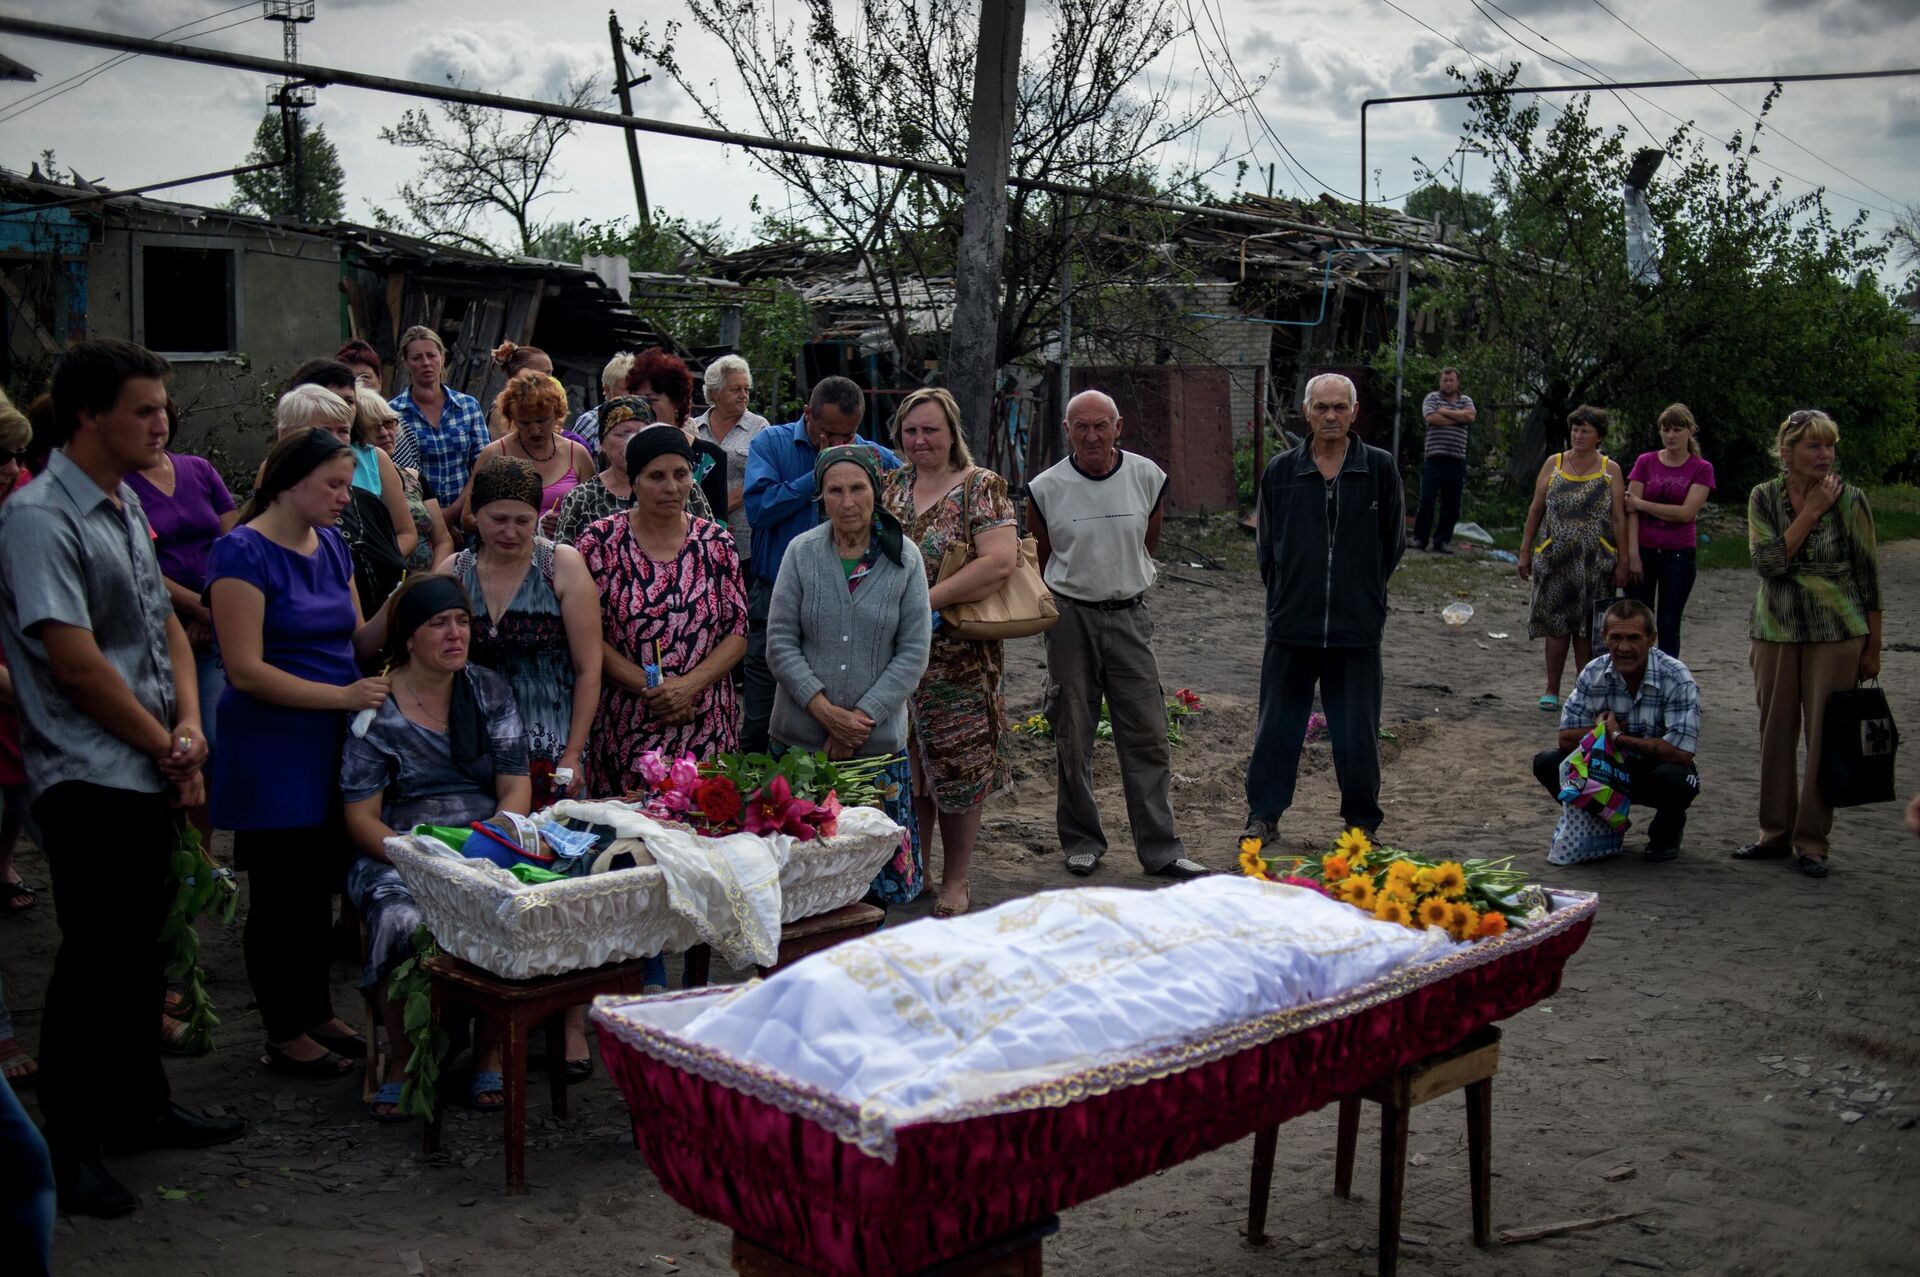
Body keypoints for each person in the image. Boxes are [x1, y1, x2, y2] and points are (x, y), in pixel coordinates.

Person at [0, 339, 245, 1218]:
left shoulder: (120, 505)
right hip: (87, 774)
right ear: (87, 415)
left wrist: (186, 723)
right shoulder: (38, 517)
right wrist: (164, 744)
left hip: (147, 759)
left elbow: (169, 626)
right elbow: (73, 661)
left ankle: (140, 1107)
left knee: (145, 947)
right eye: (143, 409)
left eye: (163, 407)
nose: (161, 422)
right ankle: (69, 1150)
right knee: (93, 962)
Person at [207, 428, 390, 1080]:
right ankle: (281, 1030)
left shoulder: (334, 543)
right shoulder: (241, 551)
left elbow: (357, 640)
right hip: (271, 740)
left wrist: (405, 603)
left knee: (317, 883)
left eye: (349, 483)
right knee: (279, 892)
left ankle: (315, 1009)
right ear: (289, 481)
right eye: (334, 485)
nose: (347, 496)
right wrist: (342, 696)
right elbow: (245, 669)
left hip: (329, 737)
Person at [341, 575, 526, 1118]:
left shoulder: (488, 689)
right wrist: (418, 859)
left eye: (462, 622)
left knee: (511, 908)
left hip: (484, 841)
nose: (454, 634)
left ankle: (488, 1049)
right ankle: (403, 1057)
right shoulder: (376, 709)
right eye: (437, 624)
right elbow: (361, 817)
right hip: (400, 850)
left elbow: (515, 787)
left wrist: (492, 841)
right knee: (400, 919)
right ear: (408, 637)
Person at [1028, 389, 1207, 881]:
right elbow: (1041, 557)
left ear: (1118, 426)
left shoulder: (1147, 477)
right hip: (1070, 621)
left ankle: (1161, 849)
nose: (1091, 435)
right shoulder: (1046, 488)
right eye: (1080, 426)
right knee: (1073, 733)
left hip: (1130, 618)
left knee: (1147, 734)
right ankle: (1083, 842)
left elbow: (1146, 543)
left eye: (1100, 425)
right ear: (1066, 430)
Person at [1243, 372, 1405, 849]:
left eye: (1340, 407)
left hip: (1357, 628)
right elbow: (1266, 547)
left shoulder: (1378, 468)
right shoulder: (1282, 471)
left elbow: (1392, 544)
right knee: (1277, 729)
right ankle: (1263, 816)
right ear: (1307, 413)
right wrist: (1288, 595)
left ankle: (1361, 823)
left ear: (1354, 413)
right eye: (1321, 408)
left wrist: (1364, 594)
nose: (1330, 416)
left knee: (1357, 735)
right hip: (1292, 625)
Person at [767, 444, 929, 905]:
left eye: (857, 488)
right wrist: (825, 713)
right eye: (835, 490)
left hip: (874, 751)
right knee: (802, 881)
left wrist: (858, 720)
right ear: (821, 496)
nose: (847, 501)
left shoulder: (906, 560)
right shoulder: (801, 553)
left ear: (876, 493)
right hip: (802, 743)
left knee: (871, 889)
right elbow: (779, 642)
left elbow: (914, 652)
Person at [879, 389, 1016, 917]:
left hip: (958, 654)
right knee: (908, 764)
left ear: (952, 432)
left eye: (930, 430)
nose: (920, 440)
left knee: (958, 767)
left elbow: (999, 561)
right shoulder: (890, 487)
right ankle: (919, 867)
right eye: (911, 431)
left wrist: (922, 602)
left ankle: (957, 880)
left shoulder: (980, 488)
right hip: (895, 654)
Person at [1734, 409, 1882, 879]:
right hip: (1774, 629)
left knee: (1825, 737)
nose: (1825, 455)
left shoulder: (1852, 499)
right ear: (1788, 452)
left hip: (1838, 631)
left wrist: (1873, 646)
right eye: (1813, 446)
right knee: (1774, 734)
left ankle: (1813, 842)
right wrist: (1812, 511)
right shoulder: (1763, 497)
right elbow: (1769, 563)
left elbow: (1869, 578)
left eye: (1829, 445)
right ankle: (1773, 833)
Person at [577, 430, 747, 791]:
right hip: (630, 721)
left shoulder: (716, 543)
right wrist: (656, 690)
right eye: (657, 476)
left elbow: (737, 632)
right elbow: (585, 638)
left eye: (681, 474)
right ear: (633, 482)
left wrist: (687, 687)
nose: (671, 486)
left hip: (706, 720)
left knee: (706, 832)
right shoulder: (600, 543)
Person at [742, 377, 900, 753]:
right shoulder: (772, 444)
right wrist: (818, 473)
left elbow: (903, 512)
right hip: (775, 598)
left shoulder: (877, 458)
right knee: (760, 723)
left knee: (841, 722)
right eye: (829, 434)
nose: (841, 445)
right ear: (807, 415)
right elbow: (758, 511)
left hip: (854, 607)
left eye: (850, 436)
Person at [444, 458, 601, 808]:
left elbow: (589, 668)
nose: (511, 532)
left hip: (553, 733)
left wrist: (574, 752)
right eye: (498, 520)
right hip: (478, 736)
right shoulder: (455, 571)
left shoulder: (560, 565)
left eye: (523, 521)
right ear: (476, 514)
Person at [1530, 599, 1700, 863]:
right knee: (1547, 762)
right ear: (1603, 637)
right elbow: (1565, 738)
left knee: (1677, 779)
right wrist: (1601, 729)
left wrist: (1618, 737)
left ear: (1652, 638)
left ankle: (1667, 831)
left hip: (1653, 772)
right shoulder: (1593, 672)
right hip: (1606, 771)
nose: (1624, 647)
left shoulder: (1676, 676)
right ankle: (1608, 820)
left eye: (1634, 638)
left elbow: (1681, 753)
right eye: (1616, 637)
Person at [1518, 405, 1629, 713]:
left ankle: (1585, 691)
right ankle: (1551, 689)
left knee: (1588, 631)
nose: (1579, 435)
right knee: (1557, 627)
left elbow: (1619, 518)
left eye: (1586, 431)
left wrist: (1623, 560)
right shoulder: (1554, 463)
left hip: (1595, 562)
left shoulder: (1611, 469)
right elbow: (1536, 509)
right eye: (1575, 429)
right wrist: (1526, 550)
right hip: (1555, 560)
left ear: (1599, 437)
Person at [275, 385, 412, 612]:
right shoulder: (248, 549)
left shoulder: (338, 537)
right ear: (286, 436)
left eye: (343, 431)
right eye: (325, 431)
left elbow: (358, 637)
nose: (337, 442)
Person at [454, 371, 596, 540]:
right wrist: (513, 528)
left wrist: (568, 523)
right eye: (525, 423)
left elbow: (594, 516)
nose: (535, 430)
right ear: (511, 418)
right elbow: (468, 518)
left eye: (542, 420)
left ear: (557, 414)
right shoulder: (495, 453)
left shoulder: (577, 454)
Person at [1625, 403, 1716, 658]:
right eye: (1666, 430)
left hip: (1678, 553)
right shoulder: (1646, 462)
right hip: (1643, 548)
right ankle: (1635, 671)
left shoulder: (1701, 468)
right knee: (1636, 620)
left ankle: (1667, 677)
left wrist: (1642, 504)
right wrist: (1632, 554)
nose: (1671, 436)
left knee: (1668, 622)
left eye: (1677, 429)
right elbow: (1630, 510)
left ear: (1690, 431)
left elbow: (1685, 513)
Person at [389, 325, 488, 532]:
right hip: (419, 523)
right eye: (417, 358)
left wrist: (452, 514)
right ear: (405, 362)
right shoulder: (393, 414)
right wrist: (437, 522)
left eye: (431, 355)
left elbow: (482, 466)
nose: (426, 363)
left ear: (442, 357)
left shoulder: (467, 406)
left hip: (466, 517)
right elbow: (397, 476)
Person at [690, 355, 770, 583]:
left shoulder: (759, 427)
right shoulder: (693, 427)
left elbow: (759, 479)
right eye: (736, 389)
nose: (744, 395)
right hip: (698, 534)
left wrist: (716, 508)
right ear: (715, 392)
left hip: (743, 540)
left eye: (746, 389)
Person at [629, 348, 729, 520]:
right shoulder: (628, 451)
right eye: (636, 400)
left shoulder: (711, 457)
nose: (642, 408)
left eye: (650, 400)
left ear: (676, 402)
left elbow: (718, 523)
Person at [363, 389, 453, 571]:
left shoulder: (415, 478)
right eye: (373, 426)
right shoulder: (357, 483)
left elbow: (443, 540)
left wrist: (433, 582)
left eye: (388, 423)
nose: (383, 433)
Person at [552, 396, 652, 545]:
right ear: (602, 443)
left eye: (641, 433)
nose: (632, 441)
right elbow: (563, 555)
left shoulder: (677, 488)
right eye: (622, 434)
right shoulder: (581, 497)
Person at [1412, 367, 1476, 554]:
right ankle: (1420, 539)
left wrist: (1445, 412)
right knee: (1427, 500)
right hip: (1434, 458)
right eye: (1445, 380)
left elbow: (1470, 416)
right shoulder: (1432, 399)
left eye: (1451, 380)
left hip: (1456, 460)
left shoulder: (1466, 400)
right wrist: (1458, 419)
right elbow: (1431, 417)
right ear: (1440, 382)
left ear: (1457, 383)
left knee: (1452, 504)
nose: (1448, 383)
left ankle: (1442, 541)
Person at [571, 352, 633, 461]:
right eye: (626, 389)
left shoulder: (649, 419)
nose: (633, 396)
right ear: (606, 389)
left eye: (637, 389)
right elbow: (576, 465)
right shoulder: (591, 423)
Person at [485, 341, 554, 440]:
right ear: (524, 373)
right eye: (546, 373)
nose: (550, 379)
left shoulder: (536, 405)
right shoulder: (502, 410)